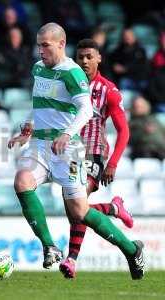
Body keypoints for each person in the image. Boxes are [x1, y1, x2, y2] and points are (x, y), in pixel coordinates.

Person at [7, 23, 144, 280]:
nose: (40, 51)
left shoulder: (72, 73)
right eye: (38, 45)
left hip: (68, 150)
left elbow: (85, 111)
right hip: (40, 145)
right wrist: (27, 128)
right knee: (22, 181)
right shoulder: (38, 69)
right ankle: (50, 247)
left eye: (45, 45)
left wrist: (67, 134)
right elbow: (39, 105)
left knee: (79, 212)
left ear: (61, 44)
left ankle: (131, 249)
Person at [59, 38, 133, 279]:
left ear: (99, 58)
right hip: (72, 151)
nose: (84, 61)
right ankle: (113, 207)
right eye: (80, 57)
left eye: (89, 57)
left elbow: (124, 130)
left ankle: (71, 259)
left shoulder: (108, 90)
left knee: (78, 203)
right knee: (74, 209)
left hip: (94, 150)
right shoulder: (68, 84)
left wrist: (112, 163)